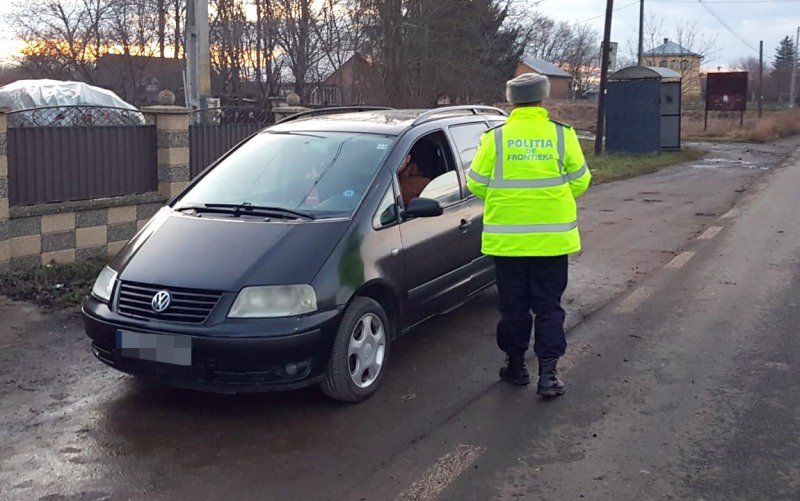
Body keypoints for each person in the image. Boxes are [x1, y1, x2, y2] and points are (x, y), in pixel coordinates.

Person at [466, 73, 591, 397]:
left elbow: (476, 183)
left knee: (513, 308)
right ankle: (548, 376)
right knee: (549, 307)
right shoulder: (562, 136)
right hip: (551, 242)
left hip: (508, 244)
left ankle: (516, 366)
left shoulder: (495, 138)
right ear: (543, 98)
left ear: (511, 100)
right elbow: (580, 181)